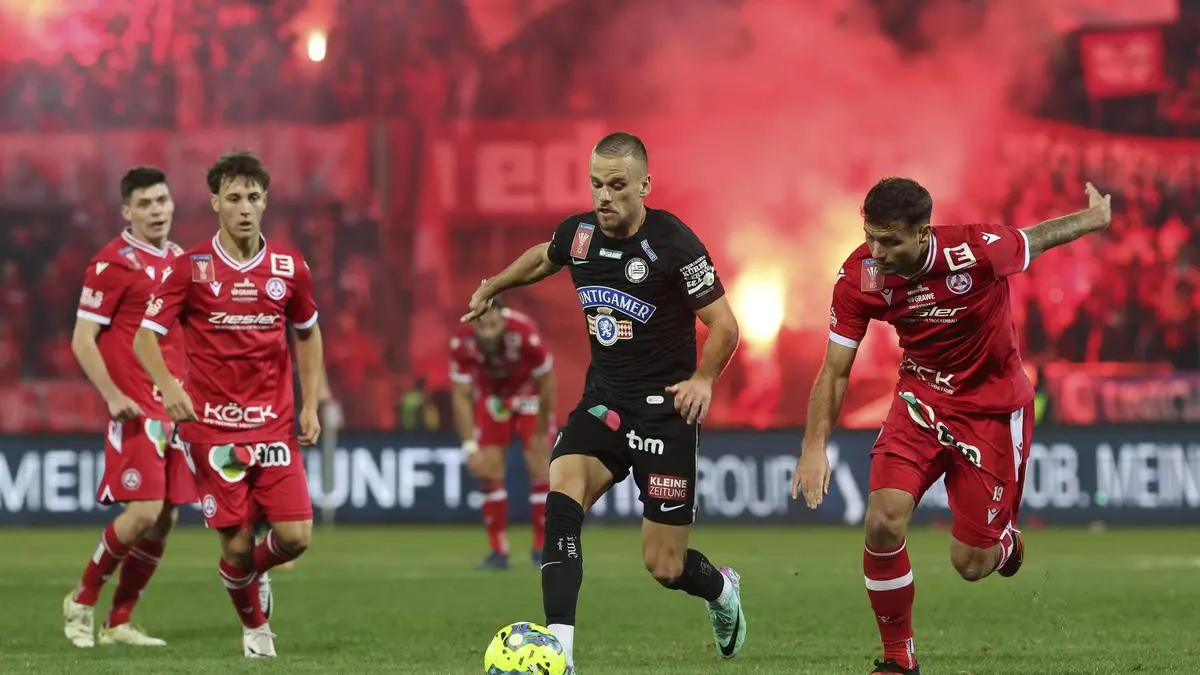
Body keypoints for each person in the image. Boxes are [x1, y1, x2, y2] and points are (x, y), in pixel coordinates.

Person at [791, 177, 1112, 675]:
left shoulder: (977, 250)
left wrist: (1094, 217)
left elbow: (1039, 237)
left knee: (971, 564)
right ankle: (898, 658)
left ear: (923, 233)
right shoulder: (861, 276)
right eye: (870, 237)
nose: (876, 251)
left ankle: (1004, 542)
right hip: (920, 403)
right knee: (882, 520)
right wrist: (814, 447)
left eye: (890, 241)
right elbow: (834, 371)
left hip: (991, 411)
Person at [462, 132, 745, 672]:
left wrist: (704, 380)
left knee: (664, 566)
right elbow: (544, 257)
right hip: (605, 403)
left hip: (665, 413)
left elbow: (725, 326)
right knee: (562, 497)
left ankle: (720, 588)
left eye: (616, 185)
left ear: (644, 185)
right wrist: (494, 286)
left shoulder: (674, 244)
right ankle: (560, 656)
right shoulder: (581, 235)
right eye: (595, 184)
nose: (603, 197)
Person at [133, 151, 325, 658]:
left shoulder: (290, 267)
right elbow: (145, 337)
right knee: (237, 545)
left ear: (266, 201)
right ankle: (257, 631)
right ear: (215, 202)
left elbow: (308, 333)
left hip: (274, 424)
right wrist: (169, 387)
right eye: (234, 197)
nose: (244, 207)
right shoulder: (190, 268)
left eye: (253, 197)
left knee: (296, 537)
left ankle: (248, 576)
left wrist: (311, 403)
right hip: (213, 429)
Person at [63, 167, 194, 649]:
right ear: (127, 211)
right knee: (142, 512)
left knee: (166, 518)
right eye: (145, 204)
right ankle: (81, 599)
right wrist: (112, 395)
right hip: (137, 410)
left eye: (162, 200)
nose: (156, 211)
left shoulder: (179, 260)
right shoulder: (111, 264)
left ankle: (118, 622)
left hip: (175, 410)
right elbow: (83, 339)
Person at [451, 298, 556, 570]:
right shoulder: (461, 341)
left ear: (503, 319)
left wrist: (541, 427)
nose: (487, 332)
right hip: (493, 397)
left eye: (493, 325)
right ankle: (498, 551)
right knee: (488, 468)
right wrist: (469, 446)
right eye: (481, 325)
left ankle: (541, 548)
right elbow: (461, 395)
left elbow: (546, 381)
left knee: (539, 464)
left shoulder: (524, 331)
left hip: (529, 393)